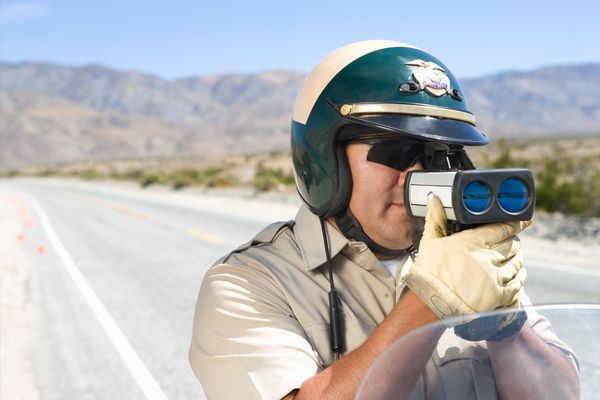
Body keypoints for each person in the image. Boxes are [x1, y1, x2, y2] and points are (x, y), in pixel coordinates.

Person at [189, 40, 579, 399]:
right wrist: (431, 298)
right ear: (327, 161)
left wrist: (505, 326)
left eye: (438, 155)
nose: (418, 175)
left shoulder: (469, 261)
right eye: (394, 150)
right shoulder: (248, 283)